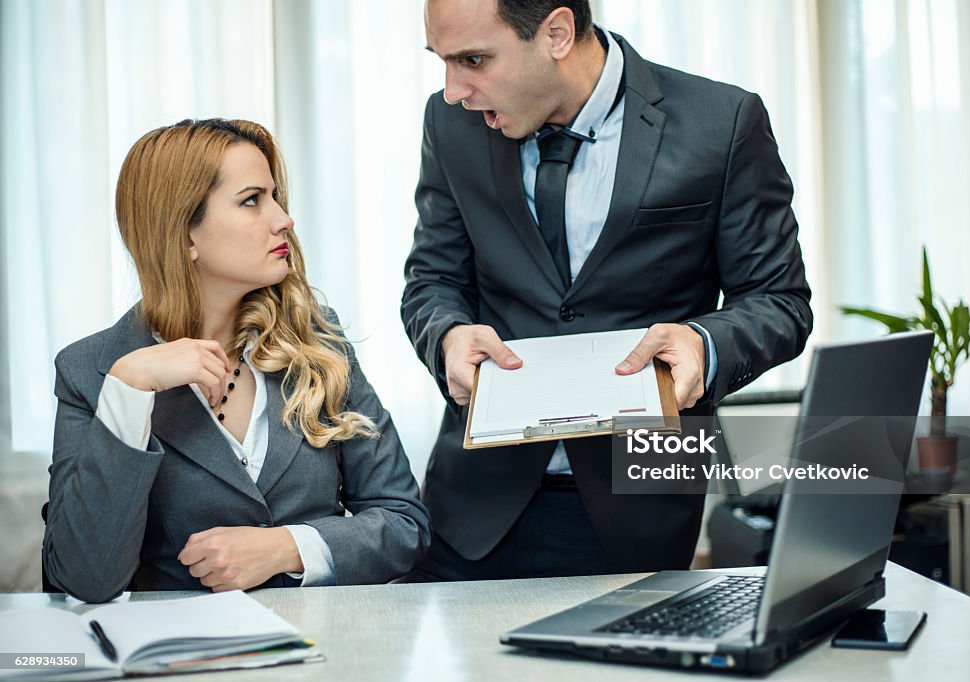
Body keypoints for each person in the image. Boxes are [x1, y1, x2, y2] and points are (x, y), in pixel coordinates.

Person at [401, 0, 813, 580]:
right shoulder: (449, 124)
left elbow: (781, 301)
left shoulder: (722, 122)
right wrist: (446, 336)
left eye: (473, 59)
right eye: (441, 61)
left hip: (640, 504)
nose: (452, 90)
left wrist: (702, 343)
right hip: (471, 508)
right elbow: (432, 279)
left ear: (558, 33)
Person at [44, 119, 430, 603]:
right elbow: (82, 579)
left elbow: (403, 524)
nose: (283, 218)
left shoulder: (318, 340)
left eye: (274, 197)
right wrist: (129, 390)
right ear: (183, 234)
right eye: (251, 200)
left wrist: (286, 547)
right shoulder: (90, 372)